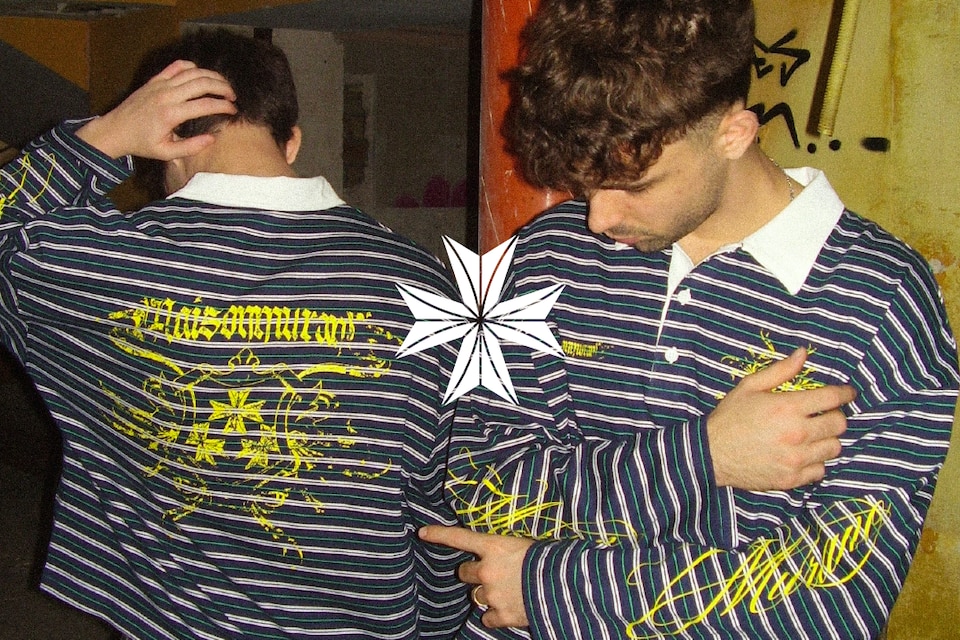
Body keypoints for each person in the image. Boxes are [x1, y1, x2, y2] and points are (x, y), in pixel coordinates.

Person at [420, 0, 960, 638]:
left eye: (635, 185)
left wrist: (548, 585)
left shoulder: (880, 297)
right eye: (586, 184)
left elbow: (835, 600)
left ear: (734, 133)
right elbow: (478, 490)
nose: (599, 218)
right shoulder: (548, 254)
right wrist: (701, 458)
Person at [0, 29, 469, 639]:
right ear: (292, 141)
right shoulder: (425, 283)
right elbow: (456, 491)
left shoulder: (93, 267)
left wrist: (101, 139)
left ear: (162, 145)